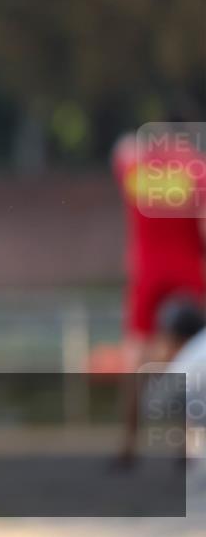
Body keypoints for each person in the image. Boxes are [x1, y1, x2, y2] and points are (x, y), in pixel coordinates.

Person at [112, 128, 206, 466]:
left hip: (147, 271)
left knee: (137, 356)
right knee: (192, 361)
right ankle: (185, 445)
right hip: (187, 269)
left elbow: (120, 147)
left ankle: (128, 444)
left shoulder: (136, 165)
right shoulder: (197, 169)